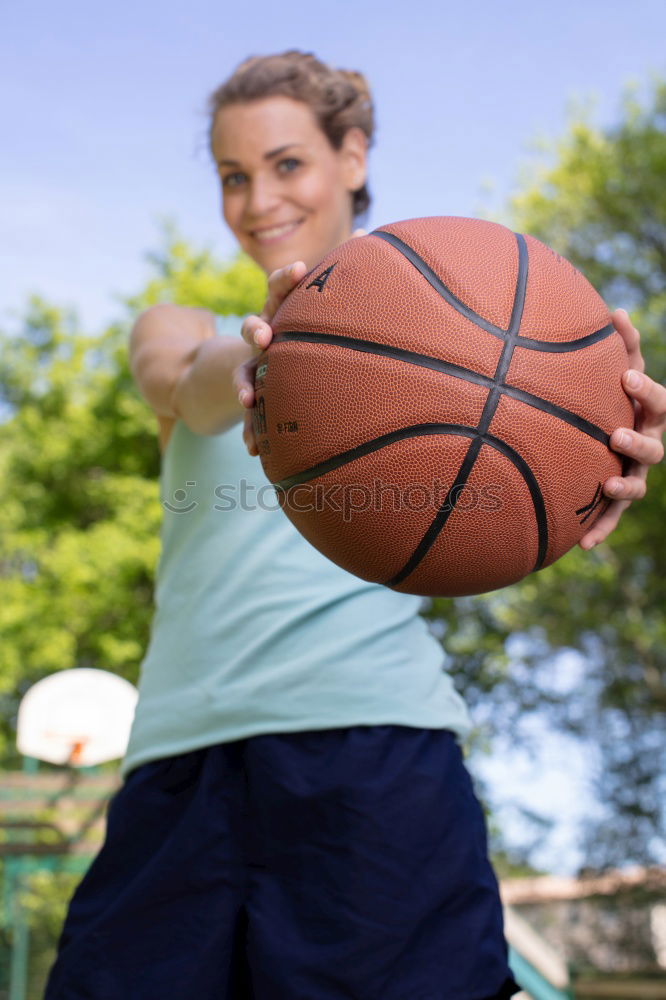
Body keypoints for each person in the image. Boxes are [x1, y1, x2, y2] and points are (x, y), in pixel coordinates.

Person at [45, 51, 666, 1000]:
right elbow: (179, 378)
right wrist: (264, 362)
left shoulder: (455, 327)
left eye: (286, 164)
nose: (258, 199)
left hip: (376, 746)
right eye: (232, 176)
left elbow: (508, 480)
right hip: (181, 761)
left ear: (353, 157)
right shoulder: (194, 326)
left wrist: (589, 453)